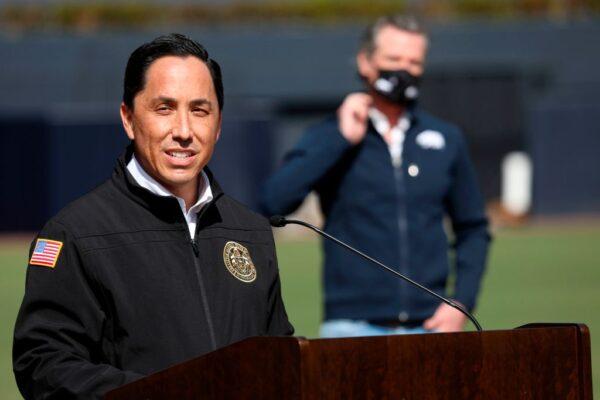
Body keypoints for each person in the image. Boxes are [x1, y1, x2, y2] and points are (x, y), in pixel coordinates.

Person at [13, 33, 293, 400]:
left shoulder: (250, 230)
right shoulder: (76, 234)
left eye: (199, 110)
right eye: (164, 108)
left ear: (219, 124)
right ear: (128, 119)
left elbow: (281, 360)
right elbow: (43, 365)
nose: (183, 131)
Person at [261, 15, 490, 337]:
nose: (404, 70)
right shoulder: (330, 135)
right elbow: (273, 201)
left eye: (414, 62)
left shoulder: (445, 139)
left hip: (432, 328)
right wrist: (339, 139)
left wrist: (461, 302)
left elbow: (473, 228)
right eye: (394, 59)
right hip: (351, 328)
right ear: (366, 63)